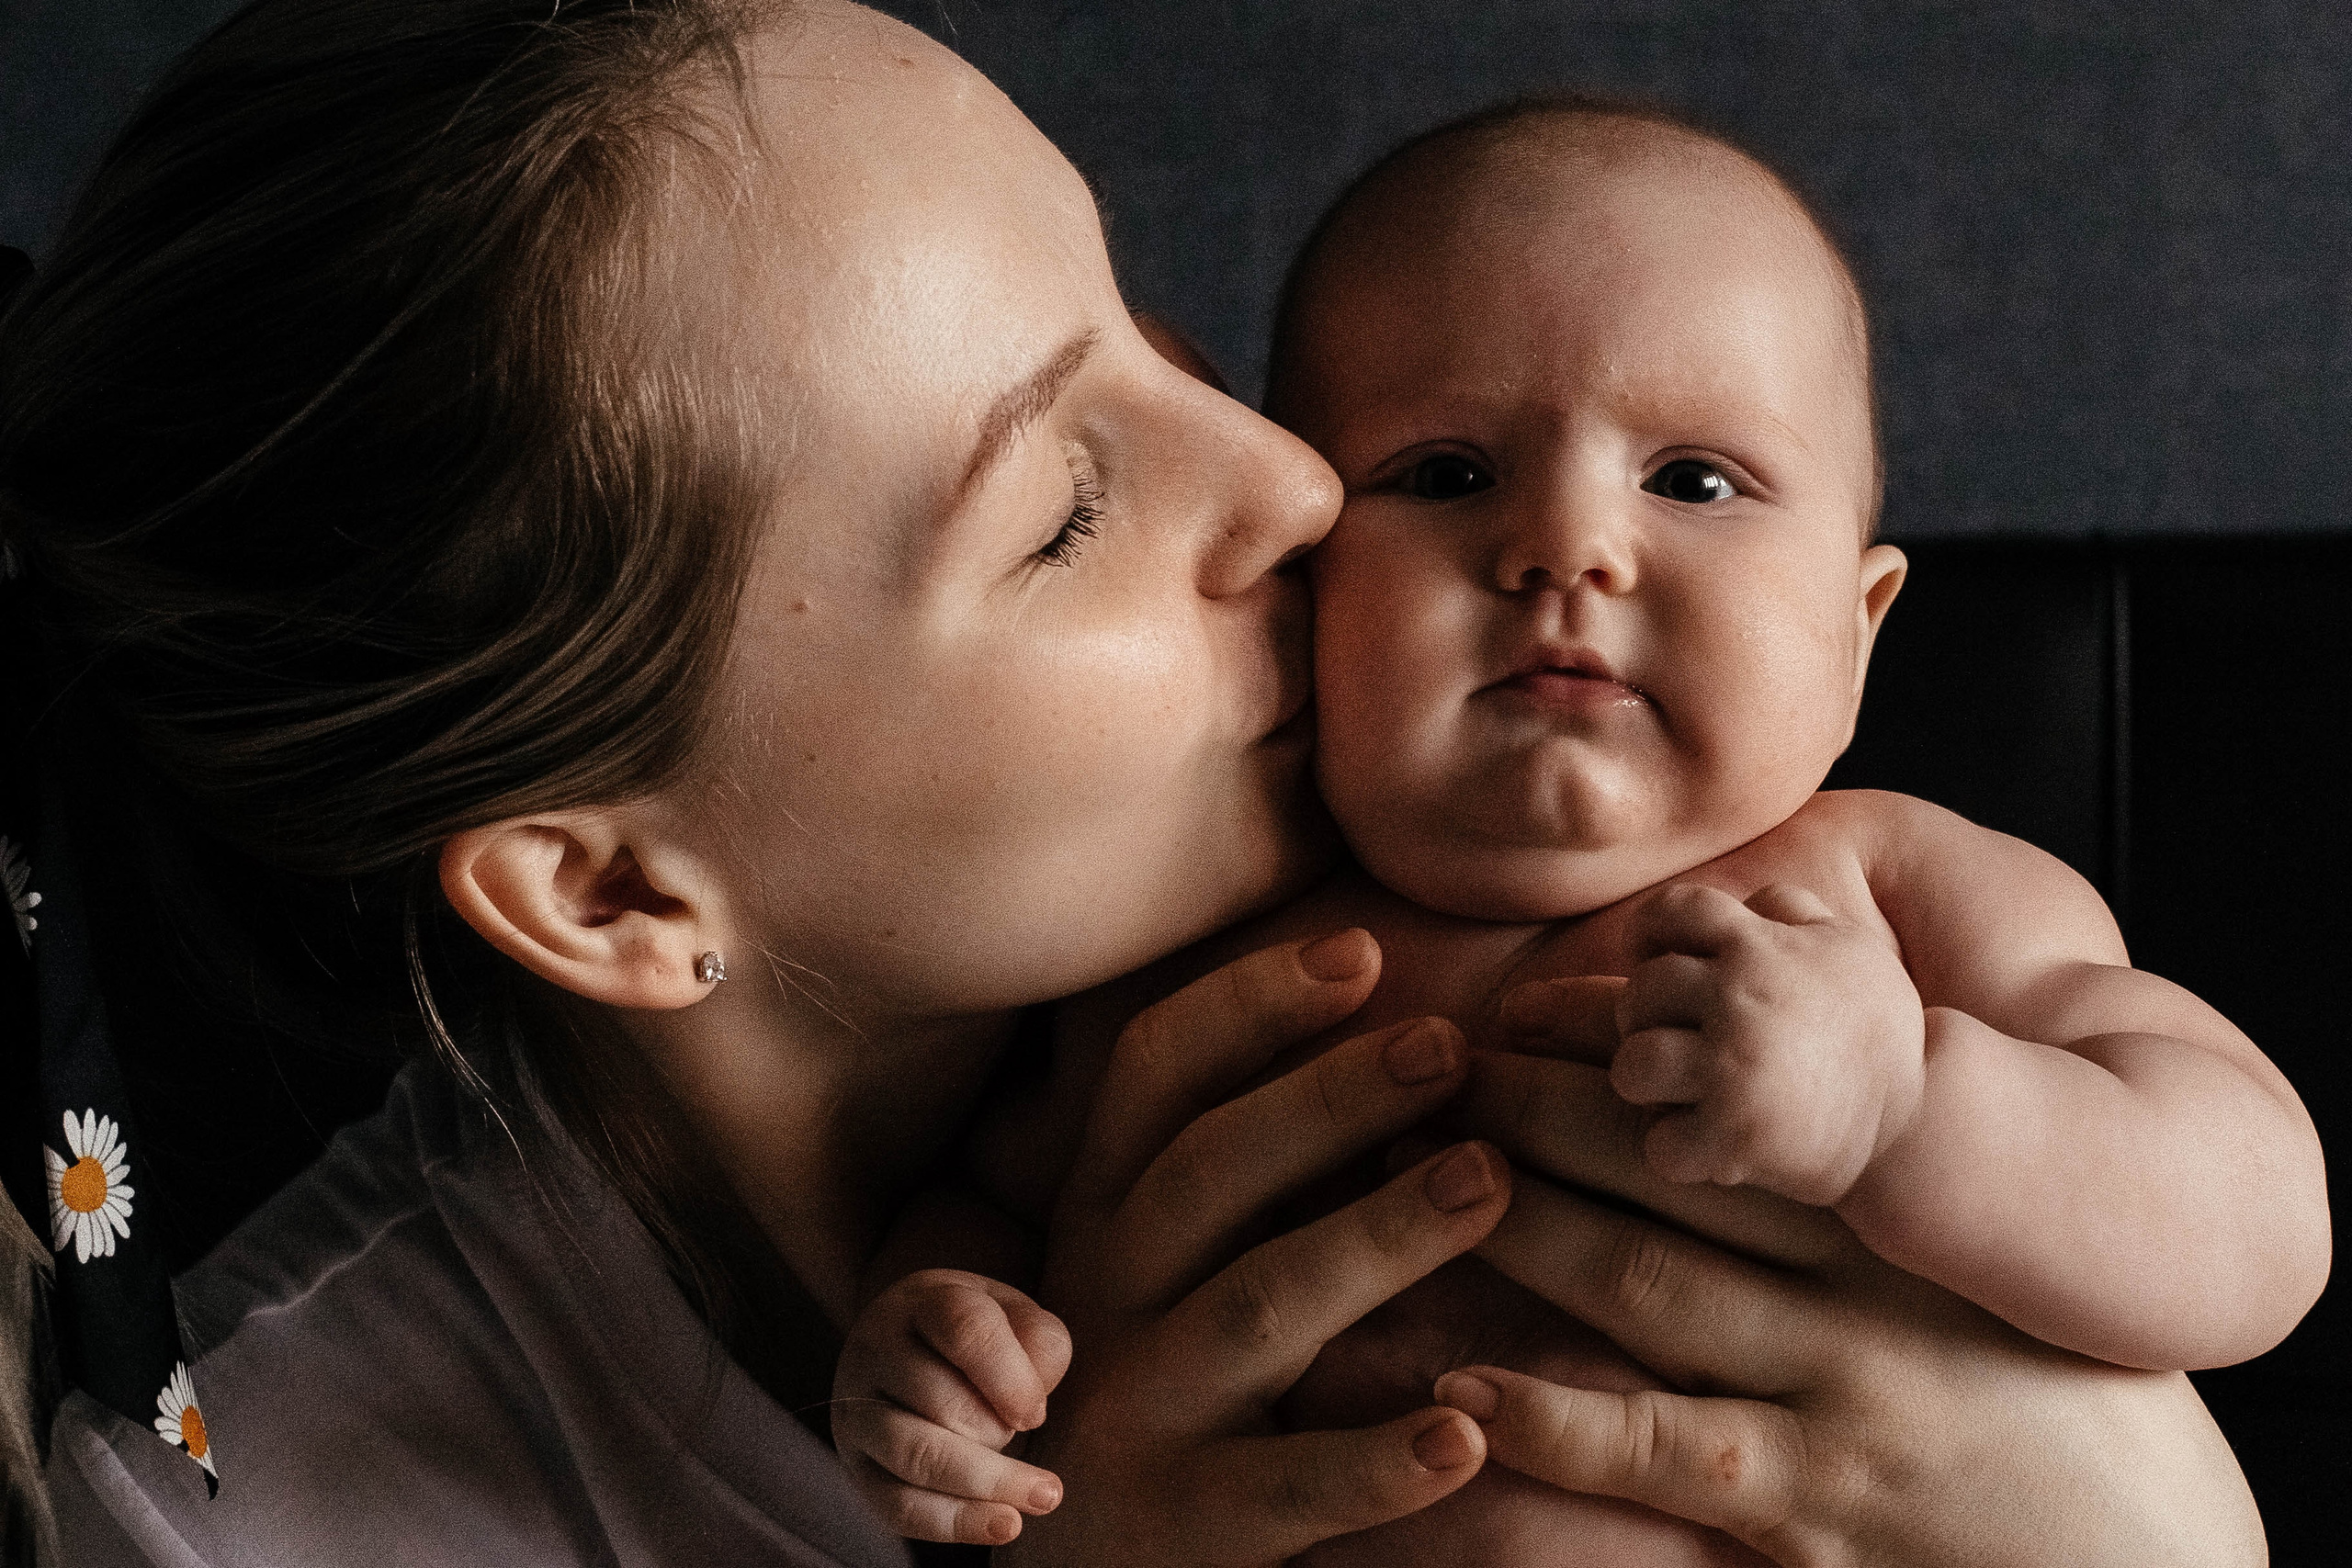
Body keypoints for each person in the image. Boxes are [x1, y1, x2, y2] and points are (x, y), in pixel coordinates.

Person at [0, 4, 2268, 1565]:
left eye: (1152, 323)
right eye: (1060, 506)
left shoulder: (1782, 893)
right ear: (604, 885)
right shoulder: (273, 1504)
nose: (1302, 479)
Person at [832, 103, 2320, 1564]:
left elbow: (2254, 1223)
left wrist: (1910, 1109)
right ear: (1299, 582)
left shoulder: (1891, 892)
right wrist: (944, 1336)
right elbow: (998, 1200)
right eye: (1447, 474)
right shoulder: (1186, 955)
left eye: (1695, 480)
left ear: (1856, 636)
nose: (1566, 547)